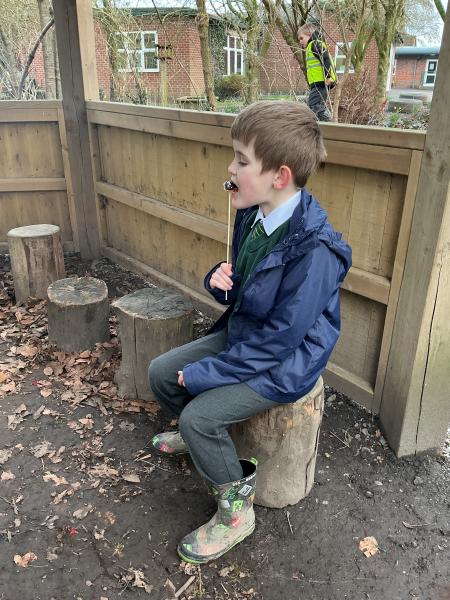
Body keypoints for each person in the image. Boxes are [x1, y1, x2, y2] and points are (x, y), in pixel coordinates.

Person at [148, 101, 352, 565]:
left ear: (280, 176)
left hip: (285, 362)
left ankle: (237, 515)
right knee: (161, 373)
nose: (231, 168)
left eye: (241, 160)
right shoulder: (252, 213)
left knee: (198, 417)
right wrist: (218, 281)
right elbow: (245, 289)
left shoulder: (316, 251)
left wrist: (204, 375)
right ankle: (201, 443)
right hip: (246, 335)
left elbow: (280, 340)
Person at [298, 23, 337, 122]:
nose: (300, 41)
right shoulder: (310, 47)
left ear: (309, 35)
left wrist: (328, 77)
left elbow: (326, 59)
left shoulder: (315, 44)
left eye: (301, 38)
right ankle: (322, 123)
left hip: (322, 82)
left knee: (314, 104)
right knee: (315, 104)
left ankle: (329, 123)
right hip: (317, 83)